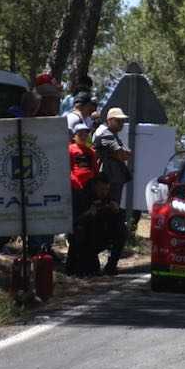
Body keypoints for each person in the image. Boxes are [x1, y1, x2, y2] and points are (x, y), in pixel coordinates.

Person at [92, 107, 133, 274]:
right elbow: (122, 154)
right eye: (118, 120)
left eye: (123, 120)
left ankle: (110, 265)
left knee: (116, 224)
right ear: (109, 120)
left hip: (113, 184)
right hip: (106, 184)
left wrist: (122, 153)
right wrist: (121, 153)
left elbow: (125, 154)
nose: (121, 123)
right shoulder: (106, 134)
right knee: (105, 223)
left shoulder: (113, 135)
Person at [73, 175, 126, 276]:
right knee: (91, 270)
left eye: (106, 189)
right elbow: (75, 221)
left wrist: (117, 211)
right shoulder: (83, 196)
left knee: (122, 230)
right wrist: (88, 213)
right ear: (95, 187)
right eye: (101, 189)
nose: (104, 192)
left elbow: (119, 219)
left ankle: (111, 266)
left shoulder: (108, 198)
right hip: (86, 237)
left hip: (102, 234)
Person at [66, 122, 98, 275]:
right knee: (76, 224)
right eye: (80, 134)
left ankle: (87, 264)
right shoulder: (70, 149)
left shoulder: (91, 152)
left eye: (86, 133)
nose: (84, 136)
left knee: (88, 224)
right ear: (74, 136)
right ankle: (72, 264)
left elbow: (95, 171)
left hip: (88, 190)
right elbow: (67, 169)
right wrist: (75, 182)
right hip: (75, 190)